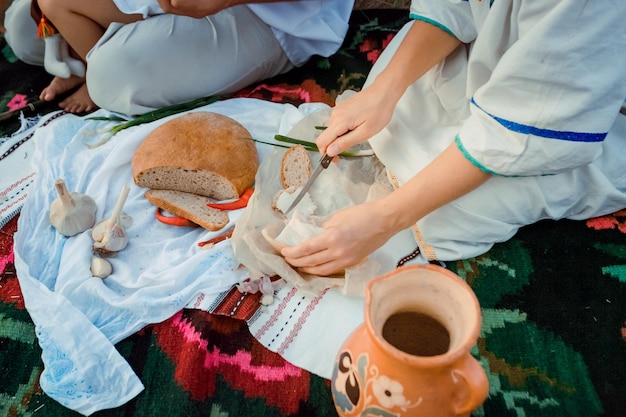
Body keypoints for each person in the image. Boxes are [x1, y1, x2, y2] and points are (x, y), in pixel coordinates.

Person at [282, 0, 626, 276]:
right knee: (387, 109)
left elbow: (515, 133)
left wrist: (387, 219)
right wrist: (385, 92)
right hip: (499, 55)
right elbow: (457, 6)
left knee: (445, 217)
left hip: (566, 115)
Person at [3, 0, 353, 114]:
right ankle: (97, 53)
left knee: (109, 77)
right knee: (26, 26)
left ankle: (101, 60)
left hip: (276, 15)